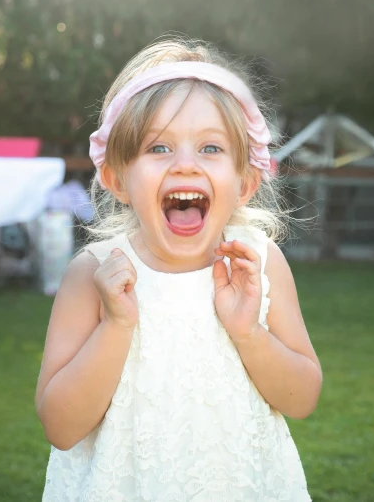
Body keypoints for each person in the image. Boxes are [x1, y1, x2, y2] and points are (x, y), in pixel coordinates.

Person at [36, 37, 322, 501]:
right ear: (116, 178)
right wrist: (116, 324)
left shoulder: (260, 264)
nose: (186, 165)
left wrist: (249, 332)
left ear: (245, 181)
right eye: (159, 148)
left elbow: (302, 399)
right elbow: (61, 428)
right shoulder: (92, 275)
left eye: (210, 149)